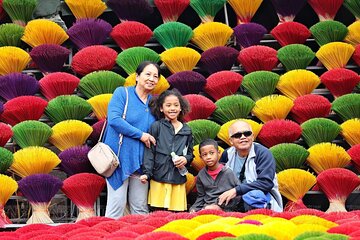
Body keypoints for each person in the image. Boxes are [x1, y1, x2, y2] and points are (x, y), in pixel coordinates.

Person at [103, 61, 160, 218]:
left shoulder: (155, 103)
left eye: (155, 76)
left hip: (142, 163)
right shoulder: (123, 93)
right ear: (137, 76)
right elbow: (114, 120)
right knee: (116, 207)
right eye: (147, 74)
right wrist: (141, 135)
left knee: (140, 209)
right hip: (119, 161)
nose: (151, 79)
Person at [140, 89, 193, 212]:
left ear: (181, 108)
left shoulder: (187, 130)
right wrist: (147, 173)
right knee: (158, 214)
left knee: (176, 215)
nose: (172, 108)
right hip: (158, 179)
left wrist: (185, 159)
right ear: (161, 108)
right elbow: (149, 152)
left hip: (178, 181)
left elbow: (190, 154)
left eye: (176, 105)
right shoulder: (156, 127)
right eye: (168, 105)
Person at [218, 120, 283, 212]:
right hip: (235, 198)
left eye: (247, 134)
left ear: (252, 137)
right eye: (237, 135)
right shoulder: (227, 154)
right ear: (230, 141)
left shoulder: (263, 153)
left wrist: (236, 190)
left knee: (254, 195)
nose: (243, 137)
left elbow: (266, 183)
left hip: (260, 198)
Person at [189, 139, 240, 212]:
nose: (208, 157)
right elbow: (201, 196)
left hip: (226, 208)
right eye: (205, 154)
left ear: (218, 153)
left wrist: (223, 206)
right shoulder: (201, 175)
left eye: (212, 153)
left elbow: (238, 193)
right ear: (201, 157)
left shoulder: (228, 172)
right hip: (207, 207)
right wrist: (193, 208)